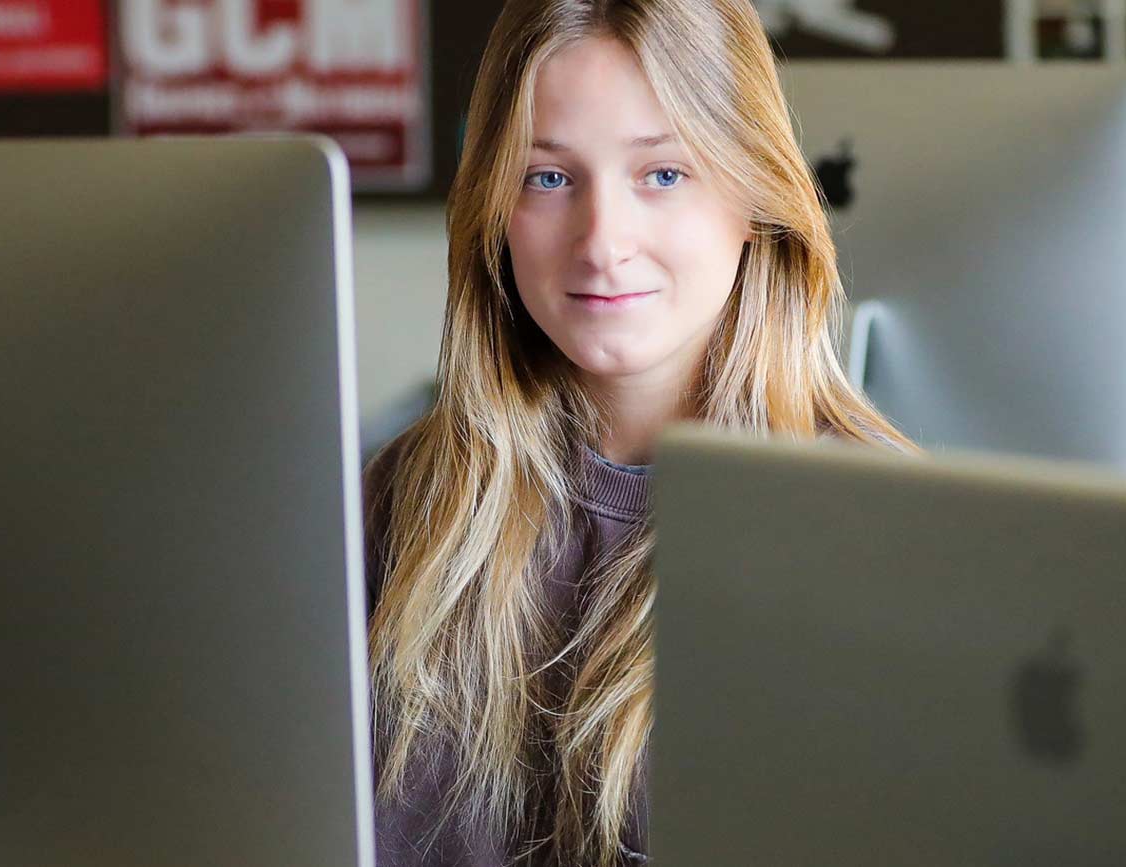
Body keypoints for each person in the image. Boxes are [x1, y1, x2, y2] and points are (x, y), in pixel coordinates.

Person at [362, 1, 915, 864]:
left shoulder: (881, 529)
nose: (602, 243)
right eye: (548, 178)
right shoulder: (399, 500)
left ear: (755, 193)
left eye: (662, 174)